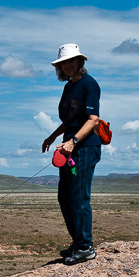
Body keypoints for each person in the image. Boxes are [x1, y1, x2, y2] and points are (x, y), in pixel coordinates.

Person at [41, 43, 101, 265]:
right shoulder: (69, 87)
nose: (67, 66)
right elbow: (68, 121)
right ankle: (77, 241)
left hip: (84, 147)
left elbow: (92, 120)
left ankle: (86, 247)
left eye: (70, 61)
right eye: (63, 62)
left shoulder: (89, 84)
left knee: (78, 196)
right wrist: (53, 137)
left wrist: (74, 141)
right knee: (64, 196)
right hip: (69, 147)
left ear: (80, 61)